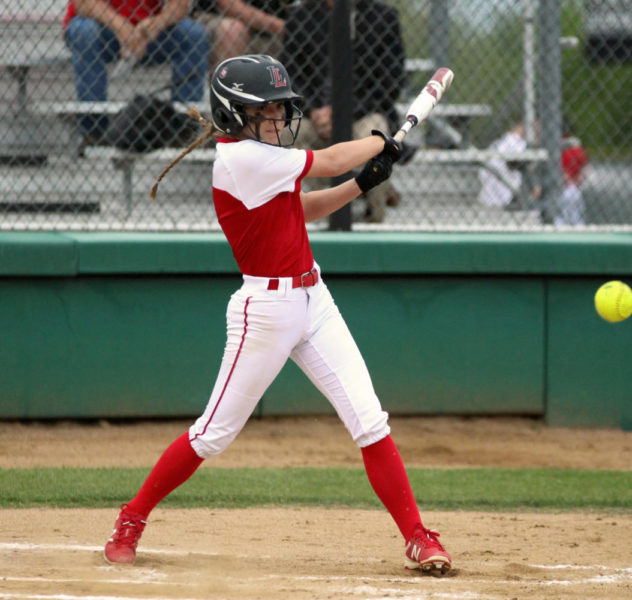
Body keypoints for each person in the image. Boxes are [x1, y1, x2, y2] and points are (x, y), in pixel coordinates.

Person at [104, 55, 452, 576]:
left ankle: (418, 537)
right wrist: (383, 142)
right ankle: (130, 520)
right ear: (234, 113)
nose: (277, 119)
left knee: (369, 420)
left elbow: (303, 208)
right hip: (263, 311)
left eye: (279, 109)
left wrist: (365, 183)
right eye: (265, 110)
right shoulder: (240, 159)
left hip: (315, 300)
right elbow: (333, 159)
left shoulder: (267, 159)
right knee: (212, 434)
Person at [281, 0, 407, 223]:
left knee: (377, 133)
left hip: (361, 112)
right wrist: (313, 111)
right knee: (288, 132)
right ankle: (321, 208)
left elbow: (390, 83)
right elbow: (290, 75)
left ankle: (375, 216)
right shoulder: (301, 16)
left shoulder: (383, 16)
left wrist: (344, 113)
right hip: (313, 113)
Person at [63, 0, 209, 145]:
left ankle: (184, 127)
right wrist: (120, 26)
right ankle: (93, 128)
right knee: (85, 30)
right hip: (103, 28)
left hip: (148, 32)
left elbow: (180, 5)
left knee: (193, 33)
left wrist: (156, 25)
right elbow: (82, 3)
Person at [192, 0, 287, 68]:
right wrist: (284, 27)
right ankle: (229, 90)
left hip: (274, 30)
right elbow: (230, 6)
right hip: (217, 17)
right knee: (231, 29)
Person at [555, 125, 589, 226]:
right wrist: (577, 181)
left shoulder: (559, 149)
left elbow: (561, 172)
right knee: (577, 219)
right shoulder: (579, 149)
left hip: (561, 189)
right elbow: (585, 171)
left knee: (560, 220)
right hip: (575, 188)